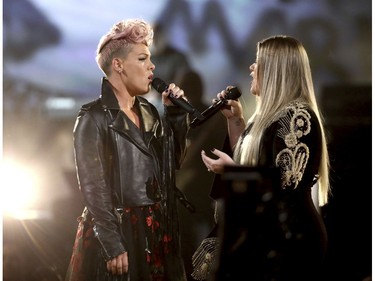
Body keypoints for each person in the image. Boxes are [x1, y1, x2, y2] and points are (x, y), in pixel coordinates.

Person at [199, 35, 331, 281]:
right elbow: (254, 163)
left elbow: (283, 186)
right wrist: (235, 121)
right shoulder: (267, 118)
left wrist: (233, 172)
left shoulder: (296, 116)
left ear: (275, 70)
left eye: (258, 61)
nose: (251, 67)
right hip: (269, 234)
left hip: (288, 239)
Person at [65, 19, 189, 281]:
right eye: (143, 58)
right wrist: (112, 243)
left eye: (150, 59)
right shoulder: (93, 117)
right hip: (119, 230)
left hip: (153, 228)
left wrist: (176, 117)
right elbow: (93, 187)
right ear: (118, 65)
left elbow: (171, 165)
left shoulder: (150, 112)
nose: (152, 66)